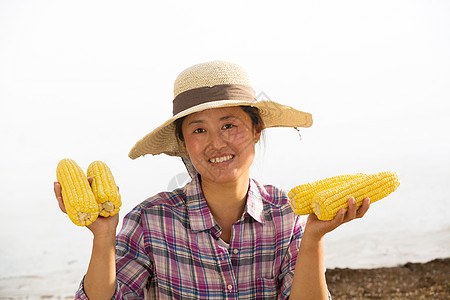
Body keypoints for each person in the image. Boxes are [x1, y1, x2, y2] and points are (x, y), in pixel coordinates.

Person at [54, 60, 370, 299]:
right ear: (184, 143)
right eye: (199, 129)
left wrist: (313, 238)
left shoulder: (287, 215)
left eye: (229, 125)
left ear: (257, 131)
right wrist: (103, 237)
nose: (216, 143)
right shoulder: (150, 221)